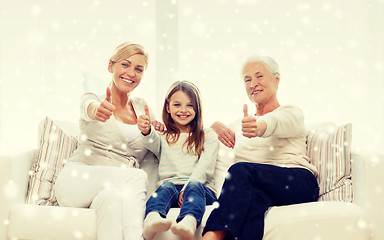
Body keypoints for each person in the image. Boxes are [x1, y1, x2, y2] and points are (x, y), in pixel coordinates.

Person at [201, 55, 319, 240]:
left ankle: (211, 236)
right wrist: (214, 126)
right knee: (252, 201)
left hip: (298, 182)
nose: (253, 83)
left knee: (240, 170)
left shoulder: (291, 112)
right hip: (263, 188)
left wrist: (260, 126)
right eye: (247, 79)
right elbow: (201, 138)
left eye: (259, 76)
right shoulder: (238, 124)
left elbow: (274, 122)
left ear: (276, 79)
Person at [54, 42, 162, 240]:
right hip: (76, 181)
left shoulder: (143, 107)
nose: (131, 72)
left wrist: (148, 132)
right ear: (110, 66)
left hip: (110, 190)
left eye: (138, 69)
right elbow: (87, 106)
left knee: (112, 202)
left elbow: (158, 149)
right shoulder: (95, 98)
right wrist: (95, 110)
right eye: (125, 64)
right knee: (136, 176)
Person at [137, 80, 219, 240]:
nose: (183, 110)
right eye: (177, 105)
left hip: (201, 189)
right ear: (168, 107)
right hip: (172, 189)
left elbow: (206, 165)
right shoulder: (163, 137)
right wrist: (146, 130)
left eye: (190, 105)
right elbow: (151, 142)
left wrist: (187, 187)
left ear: (197, 109)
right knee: (165, 187)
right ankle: (152, 219)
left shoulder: (208, 135)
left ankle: (188, 222)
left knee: (194, 185)